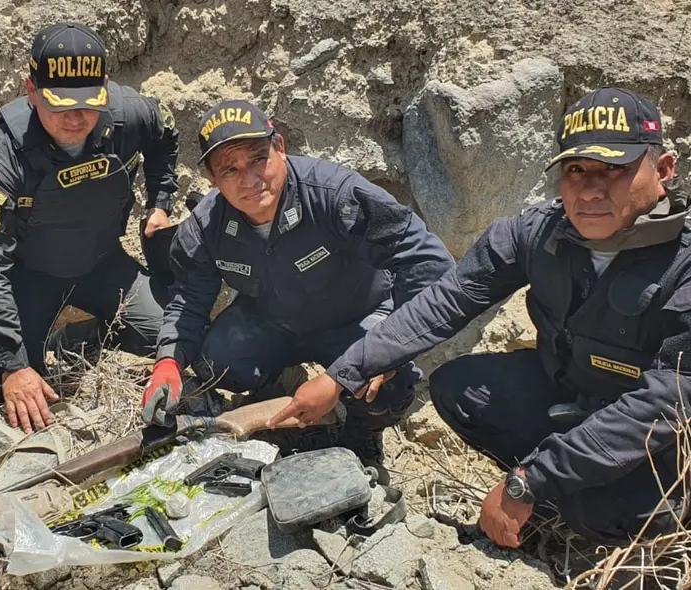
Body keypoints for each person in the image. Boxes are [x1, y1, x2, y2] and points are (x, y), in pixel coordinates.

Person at [269, 87, 691, 546]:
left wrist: (528, 480)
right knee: (460, 389)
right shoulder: (536, 233)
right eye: (575, 170)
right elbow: (445, 302)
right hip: (572, 394)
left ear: (663, 169)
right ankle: (549, 503)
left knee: (609, 514)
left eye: (614, 170)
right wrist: (344, 374)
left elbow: (665, 405)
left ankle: (575, 510)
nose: (589, 189)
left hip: (653, 439)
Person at [142, 99, 454, 470]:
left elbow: (428, 263)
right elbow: (189, 301)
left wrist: (385, 351)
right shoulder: (203, 229)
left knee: (387, 387)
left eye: (258, 158)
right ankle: (280, 393)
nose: (249, 178)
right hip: (271, 322)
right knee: (214, 362)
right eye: (229, 168)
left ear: (281, 148)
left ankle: (359, 436)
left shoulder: (334, 194)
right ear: (212, 179)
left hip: (355, 318)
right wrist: (167, 363)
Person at [0, 22, 180, 434]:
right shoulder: (4, 157)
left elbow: (164, 133)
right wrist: (14, 365)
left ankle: (91, 329)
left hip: (102, 263)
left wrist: (161, 203)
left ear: (106, 87)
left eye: (88, 102)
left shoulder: (124, 113)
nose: (77, 118)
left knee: (173, 339)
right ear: (31, 90)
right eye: (60, 104)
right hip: (30, 275)